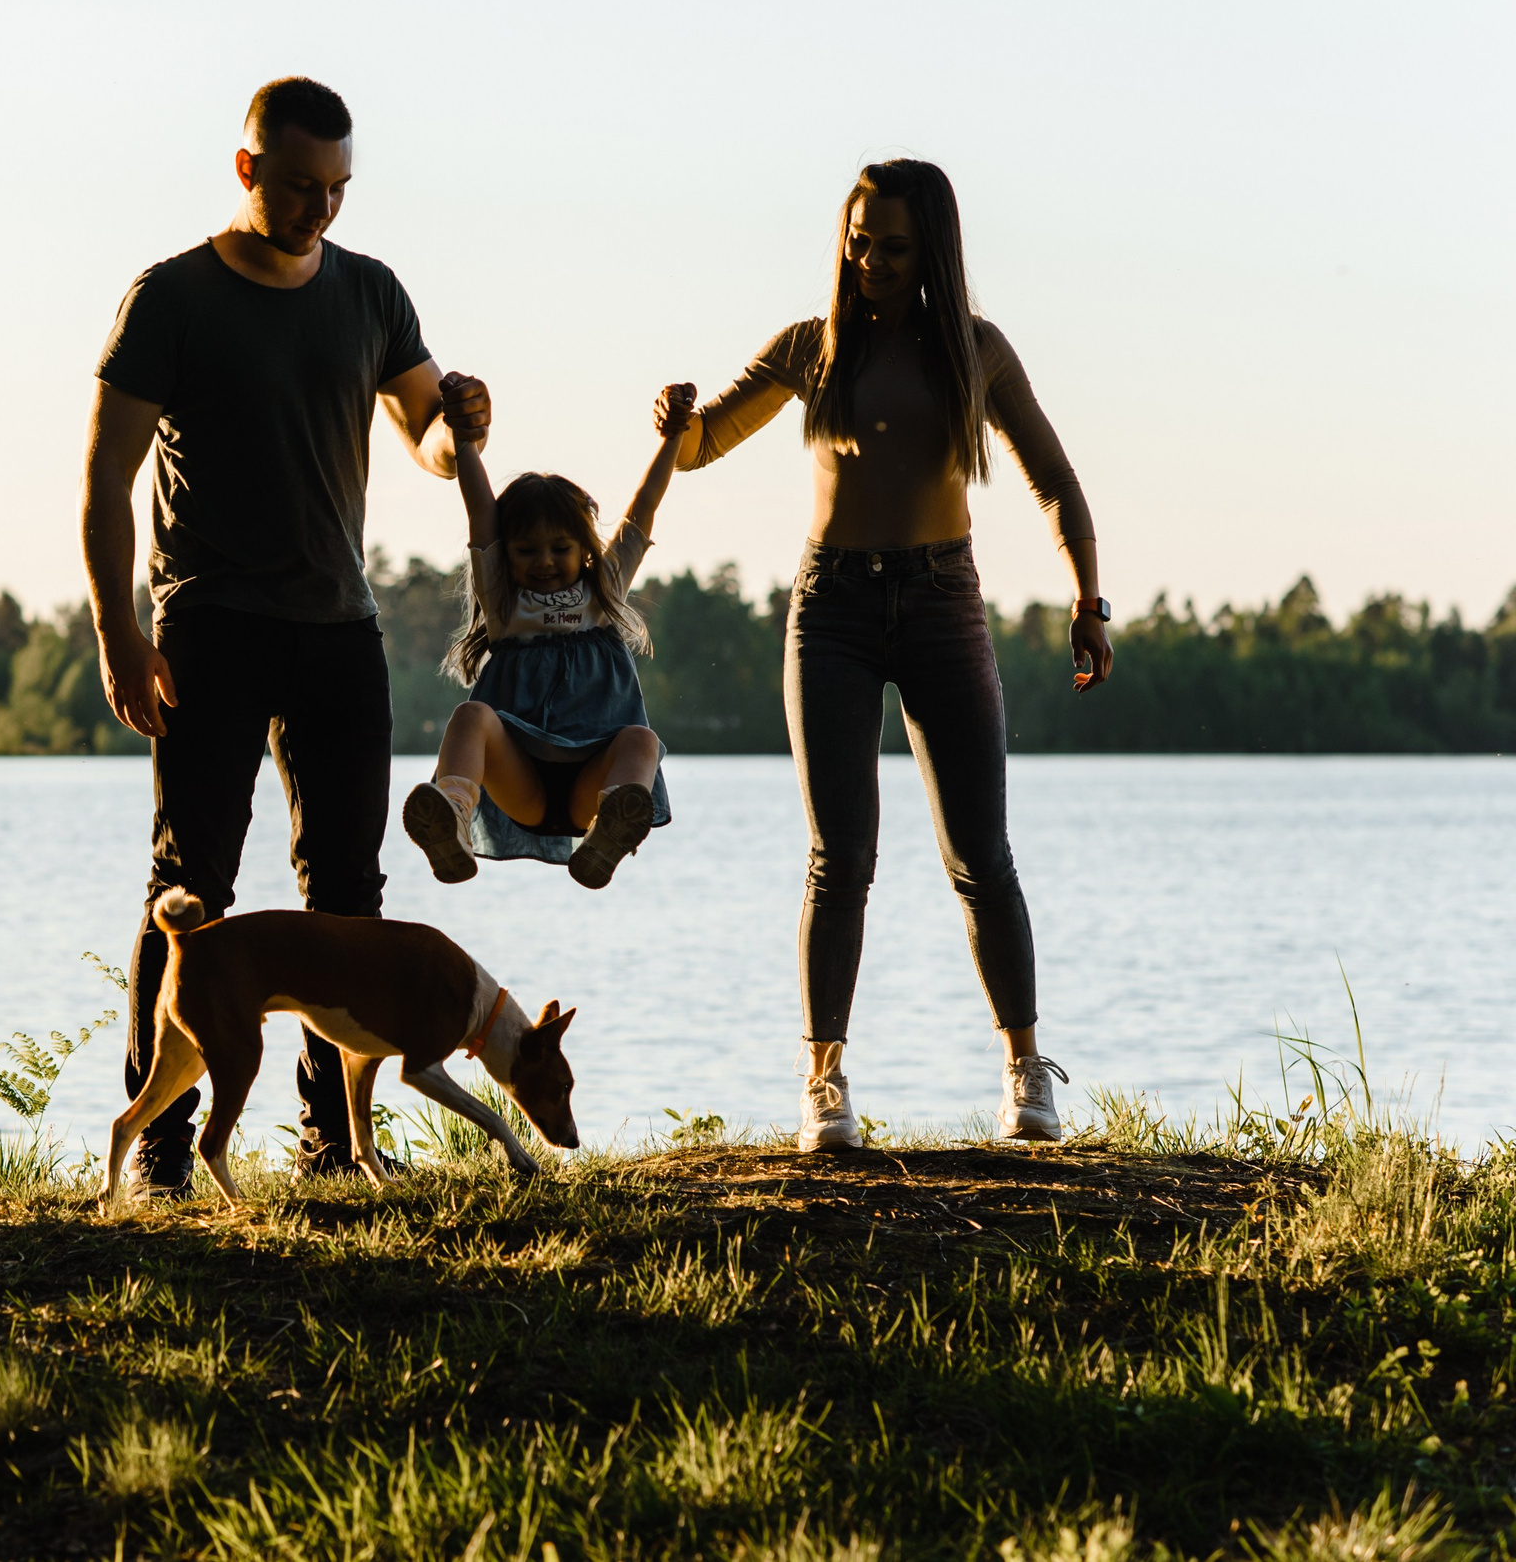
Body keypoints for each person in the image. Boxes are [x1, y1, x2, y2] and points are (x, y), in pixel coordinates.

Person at [80, 77, 489, 1194]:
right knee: (191, 887)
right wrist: (120, 633)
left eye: (339, 190)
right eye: (302, 186)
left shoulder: (370, 294)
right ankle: (159, 1150)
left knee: (346, 897)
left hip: (336, 632)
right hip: (208, 624)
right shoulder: (170, 297)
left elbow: (422, 437)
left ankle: (332, 1145)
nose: (321, 210)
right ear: (247, 169)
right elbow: (105, 482)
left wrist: (459, 432)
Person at [674, 158, 1113, 1152]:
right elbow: (703, 445)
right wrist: (676, 422)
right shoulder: (808, 348)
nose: (870, 259)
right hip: (829, 604)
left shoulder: (975, 351)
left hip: (941, 604)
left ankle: (1023, 1068)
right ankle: (823, 1081)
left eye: (894, 246)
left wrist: (1088, 600)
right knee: (840, 856)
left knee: (978, 855)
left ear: (934, 252)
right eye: (859, 239)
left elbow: (1054, 481)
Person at [401, 382, 696, 889]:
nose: (543, 561)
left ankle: (610, 835)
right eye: (526, 550)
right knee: (471, 715)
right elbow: (480, 510)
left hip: (590, 785)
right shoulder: (504, 600)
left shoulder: (603, 587)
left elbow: (644, 507)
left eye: (559, 548)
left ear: (584, 548)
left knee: (643, 741)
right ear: (506, 554)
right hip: (523, 782)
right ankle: (451, 815)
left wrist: (671, 438)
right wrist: (464, 437)